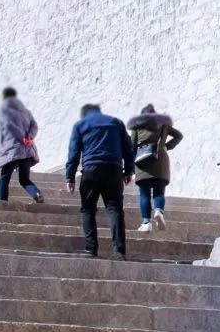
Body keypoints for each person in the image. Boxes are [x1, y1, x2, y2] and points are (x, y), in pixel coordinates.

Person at [65, 103, 134, 259]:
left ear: (84, 114)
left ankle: (91, 249)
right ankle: (119, 250)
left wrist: (70, 176)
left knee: (88, 209)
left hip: (91, 170)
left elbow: (74, 151)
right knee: (115, 209)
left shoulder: (80, 125)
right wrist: (129, 170)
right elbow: (128, 147)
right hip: (114, 169)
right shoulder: (116, 122)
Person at [128, 104, 183, 232]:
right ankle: (159, 211)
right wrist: (166, 147)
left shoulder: (137, 127)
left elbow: (132, 146)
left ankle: (146, 222)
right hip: (160, 160)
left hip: (142, 162)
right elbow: (179, 136)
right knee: (159, 191)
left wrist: (129, 167)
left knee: (144, 193)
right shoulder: (164, 125)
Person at [0, 87, 42, 203]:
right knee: (24, 179)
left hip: (12, 150)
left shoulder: (4, 111)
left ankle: (2, 203)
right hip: (27, 150)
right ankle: (36, 193)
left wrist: (21, 138)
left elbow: (8, 127)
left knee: (4, 178)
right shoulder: (26, 111)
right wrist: (28, 137)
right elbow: (35, 126)